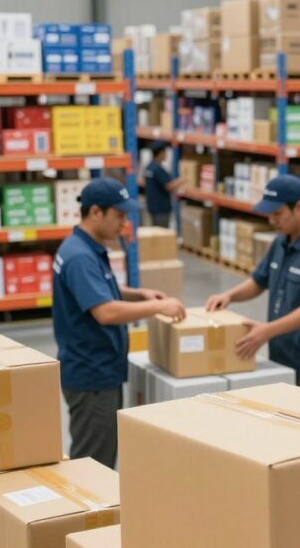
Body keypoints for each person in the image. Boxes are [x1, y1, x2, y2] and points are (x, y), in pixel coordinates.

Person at [53, 178, 187, 468]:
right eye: (120, 216)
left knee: (100, 452)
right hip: (92, 375)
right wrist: (158, 306)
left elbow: (97, 291)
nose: (124, 224)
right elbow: (105, 312)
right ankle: (90, 512)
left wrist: (139, 295)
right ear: (96, 213)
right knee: (93, 463)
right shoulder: (80, 257)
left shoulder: (85, 248)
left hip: (99, 370)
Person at [204, 175, 300, 394]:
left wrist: (266, 331)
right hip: (281, 355)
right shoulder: (281, 241)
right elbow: (259, 281)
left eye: (278, 214)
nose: (272, 220)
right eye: (269, 214)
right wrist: (229, 295)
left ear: (299, 207)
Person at [142, 140, 184, 228]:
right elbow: (169, 186)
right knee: (162, 234)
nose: (166, 155)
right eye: (165, 152)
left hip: (152, 208)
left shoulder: (148, 167)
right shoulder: (158, 170)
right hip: (161, 209)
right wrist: (184, 179)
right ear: (160, 153)